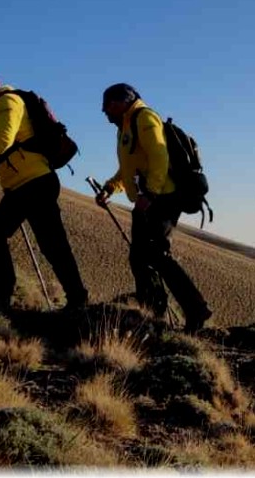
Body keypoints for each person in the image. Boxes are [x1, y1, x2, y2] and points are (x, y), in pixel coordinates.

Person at [0, 71, 88, 312]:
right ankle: (76, 298)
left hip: (33, 183)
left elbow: (3, 141)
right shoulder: (1, 105)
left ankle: (4, 294)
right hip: (29, 184)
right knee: (50, 243)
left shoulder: (6, 102)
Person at [94, 83, 212, 332]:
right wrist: (109, 187)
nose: (105, 113)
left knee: (158, 255)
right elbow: (129, 167)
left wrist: (151, 193)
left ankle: (196, 309)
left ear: (122, 101)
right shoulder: (125, 126)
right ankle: (153, 311)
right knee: (139, 258)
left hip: (162, 199)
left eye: (108, 106)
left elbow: (159, 157)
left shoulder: (144, 118)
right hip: (145, 201)